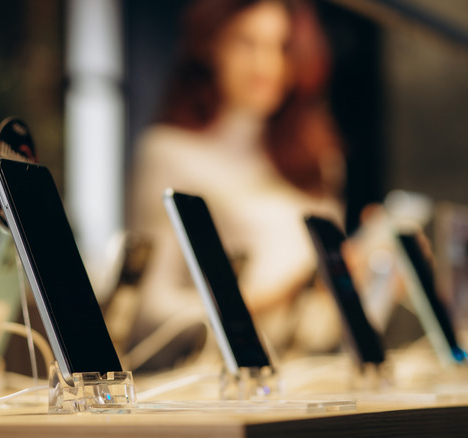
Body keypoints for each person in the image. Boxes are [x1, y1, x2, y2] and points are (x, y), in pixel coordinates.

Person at [128, 0, 344, 365]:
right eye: (246, 43)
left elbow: (323, 326)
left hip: (307, 378)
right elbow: (149, 312)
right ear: (211, 46)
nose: (266, 65)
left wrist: (373, 282)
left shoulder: (316, 160)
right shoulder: (168, 152)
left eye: (281, 47)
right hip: (211, 384)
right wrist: (269, 298)